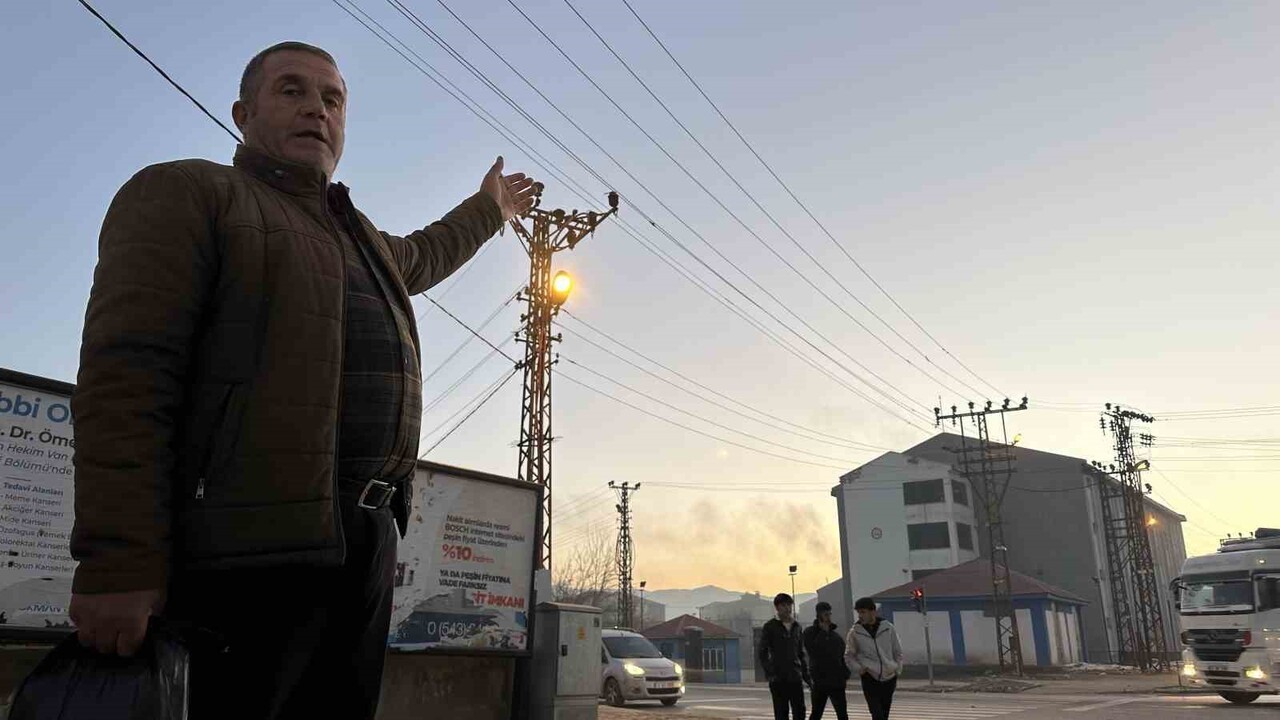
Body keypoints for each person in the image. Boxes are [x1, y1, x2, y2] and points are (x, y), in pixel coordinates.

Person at [67, 41, 537, 720]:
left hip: (367, 541)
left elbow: (424, 255)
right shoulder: (191, 192)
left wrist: (489, 209)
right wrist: (118, 563)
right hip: (244, 554)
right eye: (292, 91)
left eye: (332, 98)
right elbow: (127, 380)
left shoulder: (360, 240)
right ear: (242, 111)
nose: (316, 109)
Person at [844, 597, 903, 720]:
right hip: (870, 677)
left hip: (889, 677)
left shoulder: (888, 628)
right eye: (858, 612)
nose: (860, 616)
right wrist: (860, 669)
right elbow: (849, 655)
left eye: (863, 612)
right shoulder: (855, 632)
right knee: (877, 714)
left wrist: (897, 669)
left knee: (884, 713)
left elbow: (898, 651)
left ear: (873, 612)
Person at [758, 592, 811, 720]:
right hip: (778, 678)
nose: (787, 608)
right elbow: (762, 652)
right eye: (784, 605)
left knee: (800, 711)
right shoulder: (770, 627)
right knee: (781, 712)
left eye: (789, 605)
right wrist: (770, 673)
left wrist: (807, 677)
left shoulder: (797, 626)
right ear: (777, 607)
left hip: (795, 676)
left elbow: (800, 653)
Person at [802, 601, 849, 720]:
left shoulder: (835, 636)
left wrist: (845, 674)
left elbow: (841, 656)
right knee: (816, 713)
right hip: (820, 681)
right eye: (825, 615)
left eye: (829, 614)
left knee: (842, 714)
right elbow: (813, 651)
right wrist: (823, 633)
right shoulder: (809, 633)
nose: (828, 618)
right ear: (819, 615)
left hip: (837, 681)